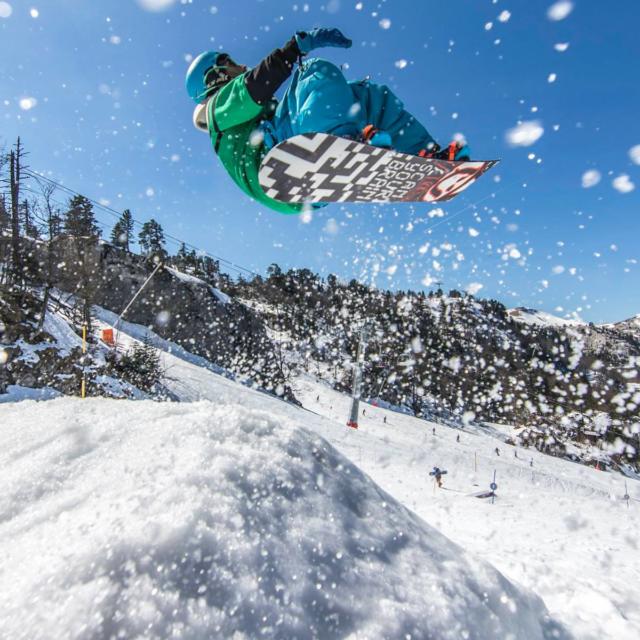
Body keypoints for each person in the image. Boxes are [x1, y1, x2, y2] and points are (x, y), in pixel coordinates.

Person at [186, 28, 470, 215]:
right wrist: (291, 50)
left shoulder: (240, 113)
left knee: (367, 95)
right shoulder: (217, 109)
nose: (241, 66)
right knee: (314, 71)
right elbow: (254, 86)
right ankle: (344, 144)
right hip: (275, 164)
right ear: (215, 75)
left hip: (299, 183)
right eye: (230, 62)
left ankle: (425, 155)